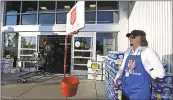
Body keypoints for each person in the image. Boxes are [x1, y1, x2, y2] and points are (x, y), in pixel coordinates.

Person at [114, 30, 165, 100]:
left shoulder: (147, 51)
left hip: (140, 92)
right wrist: (117, 76)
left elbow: (161, 72)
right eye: (129, 37)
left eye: (133, 37)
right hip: (126, 90)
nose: (130, 38)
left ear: (140, 38)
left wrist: (149, 69)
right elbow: (123, 65)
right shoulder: (128, 50)